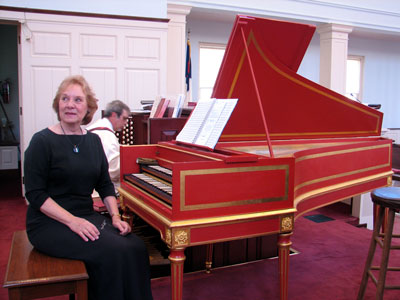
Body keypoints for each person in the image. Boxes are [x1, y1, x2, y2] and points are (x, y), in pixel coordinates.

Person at [24, 75, 153, 300]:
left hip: (85, 215)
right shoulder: (41, 141)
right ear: (58, 104)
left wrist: (115, 216)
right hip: (48, 223)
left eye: (77, 100)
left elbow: (104, 184)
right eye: (65, 99)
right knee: (112, 251)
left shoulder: (93, 141)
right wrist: (72, 222)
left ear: (88, 108)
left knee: (136, 247)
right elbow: (35, 194)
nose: (70, 105)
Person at [86, 100, 130, 197]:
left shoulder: (96, 127)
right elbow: (112, 171)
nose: (126, 123)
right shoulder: (106, 135)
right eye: (124, 118)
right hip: (95, 190)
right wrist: (132, 161)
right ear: (114, 115)